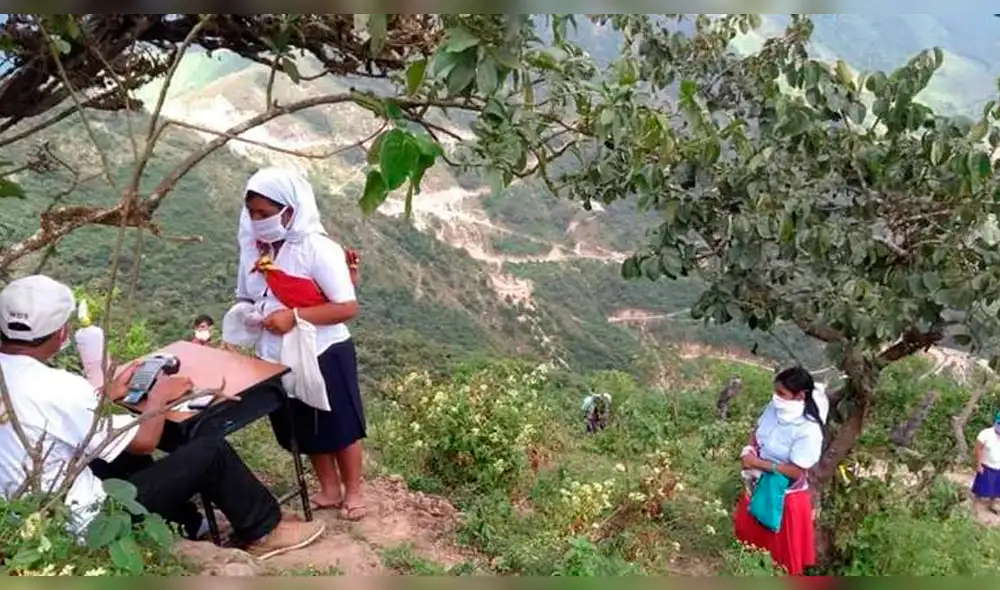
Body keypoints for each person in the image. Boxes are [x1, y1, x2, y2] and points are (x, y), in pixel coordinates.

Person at [0, 275, 325, 559]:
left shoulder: (17, 376)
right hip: (86, 524)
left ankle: (189, 523)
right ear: (61, 333)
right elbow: (143, 443)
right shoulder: (58, 387)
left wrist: (106, 395)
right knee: (209, 451)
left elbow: (61, 419)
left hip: (27, 514)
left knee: (116, 453)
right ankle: (265, 531)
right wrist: (159, 396)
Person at [234, 167, 367, 521]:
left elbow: (346, 306)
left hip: (323, 350)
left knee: (339, 424)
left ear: (290, 210)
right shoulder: (254, 250)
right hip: (277, 352)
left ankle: (353, 491)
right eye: (253, 214)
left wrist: (294, 317)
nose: (258, 221)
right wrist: (249, 315)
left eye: (265, 213)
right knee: (305, 423)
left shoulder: (316, 248)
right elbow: (247, 296)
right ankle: (329, 487)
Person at [732, 366, 825, 576]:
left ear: (800, 395)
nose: (776, 398)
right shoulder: (773, 409)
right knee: (751, 548)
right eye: (776, 392)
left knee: (781, 559)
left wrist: (758, 463)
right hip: (758, 487)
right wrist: (749, 449)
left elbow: (797, 471)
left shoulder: (808, 430)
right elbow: (757, 432)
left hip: (783, 499)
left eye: (782, 394)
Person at [972, 411, 1000, 514]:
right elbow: (978, 450)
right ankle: (975, 507)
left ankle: (992, 505)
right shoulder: (985, 433)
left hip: (999, 466)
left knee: (997, 489)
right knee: (980, 488)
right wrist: (978, 464)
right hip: (986, 465)